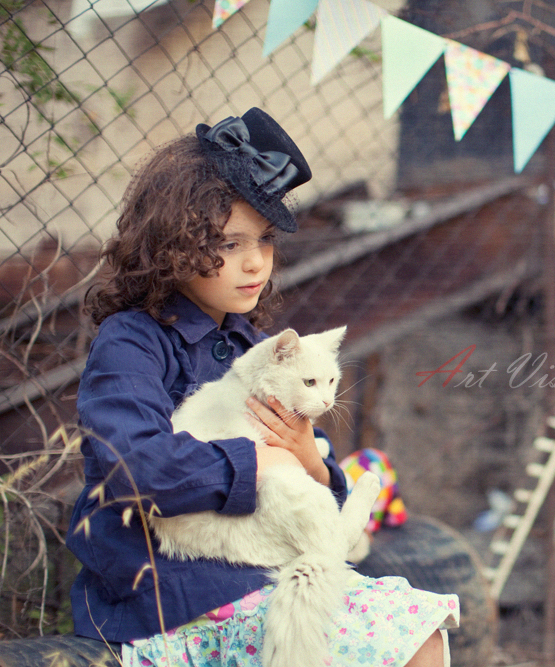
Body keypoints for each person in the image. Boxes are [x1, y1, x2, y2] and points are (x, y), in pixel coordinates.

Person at [68, 107, 458, 667]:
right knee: (391, 641)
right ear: (171, 245)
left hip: (266, 570)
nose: (254, 263)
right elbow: (135, 467)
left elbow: (307, 497)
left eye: (266, 240)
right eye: (227, 244)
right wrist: (257, 463)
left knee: (424, 635)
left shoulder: (260, 344)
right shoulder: (133, 341)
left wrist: (310, 461)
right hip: (171, 595)